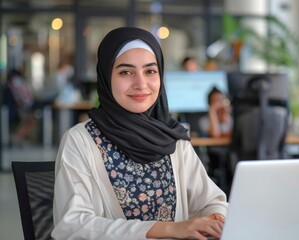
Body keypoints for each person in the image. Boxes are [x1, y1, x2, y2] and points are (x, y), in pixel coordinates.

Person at [52, 27, 227, 240]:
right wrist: (168, 229)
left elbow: (211, 201)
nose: (141, 84)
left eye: (150, 71)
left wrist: (217, 219)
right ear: (106, 77)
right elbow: (72, 226)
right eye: (126, 72)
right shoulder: (80, 140)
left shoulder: (173, 138)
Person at [198, 86, 233, 182]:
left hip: (231, 153)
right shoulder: (204, 120)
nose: (220, 103)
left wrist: (225, 115)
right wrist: (213, 111)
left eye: (222, 100)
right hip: (213, 154)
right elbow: (215, 133)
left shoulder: (230, 118)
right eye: (216, 101)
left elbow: (230, 133)